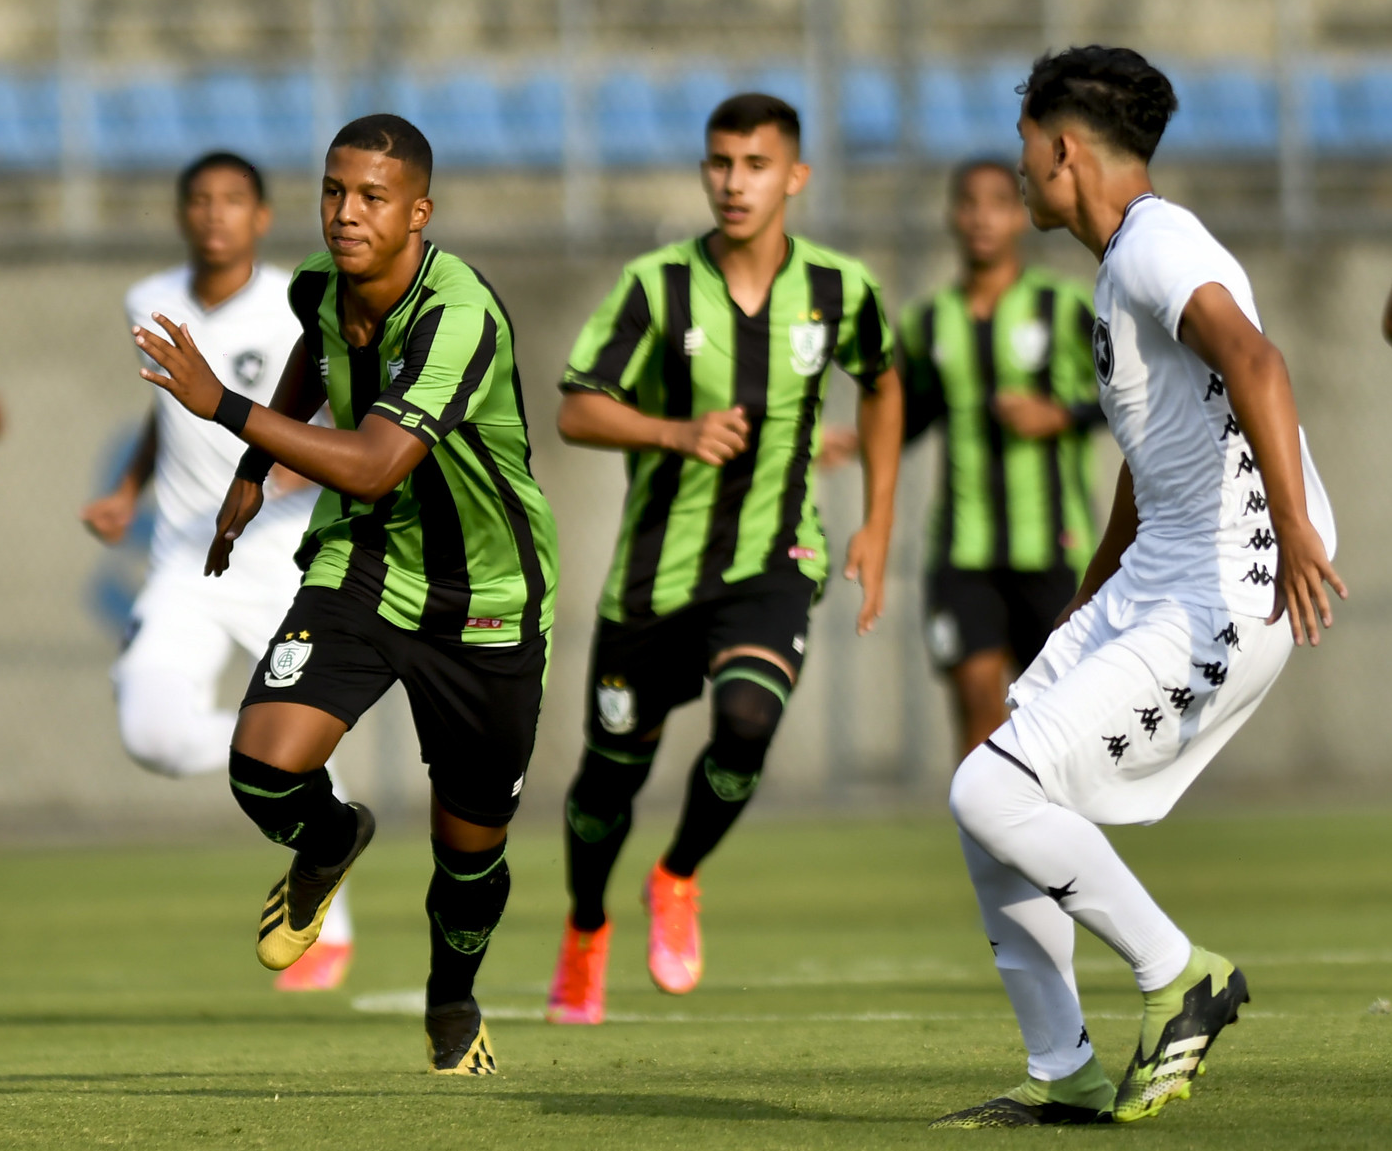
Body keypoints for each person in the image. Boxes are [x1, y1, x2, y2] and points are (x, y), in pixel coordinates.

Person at [933, 46, 1344, 1128]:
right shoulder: (1123, 264)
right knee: (993, 796)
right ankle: (1060, 1066)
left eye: (1025, 147)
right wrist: (1096, 581)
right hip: (1158, 570)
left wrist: (1296, 533)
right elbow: (1153, 443)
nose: (1017, 170)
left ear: (1063, 148)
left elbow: (1258, 362)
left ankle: (1180, 971)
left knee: (989, 788)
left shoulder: (1159, 245)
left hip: (1224, 583)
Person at [132, 114, 557, 1074]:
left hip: (483, 597)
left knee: (470, 849)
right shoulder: (316, 285)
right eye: (332, 190)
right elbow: (311, 351)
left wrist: (222, 409)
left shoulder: (461, 315)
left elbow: (371, 463)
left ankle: (451, 997)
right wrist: (252, 463)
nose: (344, 213)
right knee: (260, 767)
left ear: (419, 212)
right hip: (364, 564)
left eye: (371, 197)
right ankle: (330, 839)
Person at [545, 93, 902, 1025]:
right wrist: (673, 429)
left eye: (753, 165)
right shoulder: (654, 286)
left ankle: (678, 875)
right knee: (603, 785)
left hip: (775, 560)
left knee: (746, 718)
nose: (733, 183)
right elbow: (577, 408)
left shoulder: (837, 290)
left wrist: (876, 522)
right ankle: (585, 926)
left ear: (794, 177)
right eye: (719, 163)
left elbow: (885, 381)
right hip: (652, 580)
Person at [79, 152, 357, 991]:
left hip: (280, 556)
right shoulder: (149, 301)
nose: (215, 215)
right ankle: (316, 806)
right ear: (180, 214)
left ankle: (328, 929)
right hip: (185, 560)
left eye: (233, 200)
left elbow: (337, 409)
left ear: (262, 217)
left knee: (303, 724)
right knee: (152, 733)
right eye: (198, 199)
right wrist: (127, 488)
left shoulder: (293, 303)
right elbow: (164, 405)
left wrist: (288, 471)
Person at [899, 159, 1104, 757]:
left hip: (1055, 547)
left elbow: (1128, 398)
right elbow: (911, 415)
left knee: (1056, 721)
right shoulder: (928, 323)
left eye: (996, 202)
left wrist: (1060, 414)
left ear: (1019, 215)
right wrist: (856, 441)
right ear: (951, 216)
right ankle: (988, 848)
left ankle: (1050, 845)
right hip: (962, 552)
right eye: (968, 202)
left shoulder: (1065, 308)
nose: (981, 216)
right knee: (977, 707)